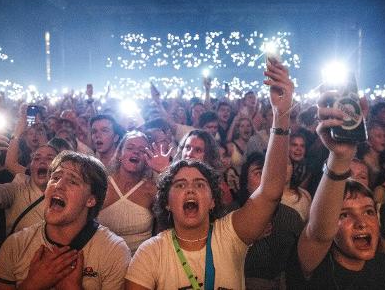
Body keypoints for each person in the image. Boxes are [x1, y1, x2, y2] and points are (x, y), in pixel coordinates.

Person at [124, 57, 294, 289]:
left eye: (200, 184)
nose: (191, 188)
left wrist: (281, 115)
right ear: (166, 203)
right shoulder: (150, 253)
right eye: (180, 185)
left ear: (214, 201)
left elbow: (271, 191)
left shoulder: (231, 236)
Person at [286, 92, 385, 289]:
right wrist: (340, 158)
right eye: (344, 214)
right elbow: (319, 234)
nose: (361, 223)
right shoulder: (314, 265)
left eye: (368, 211)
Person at [0, 151, 131, 289]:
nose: (58, 185)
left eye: (72, 181)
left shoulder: (114, 251)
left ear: (90, 200)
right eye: (55, 177)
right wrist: (32, 284)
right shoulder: (15, 245)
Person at [237, 152, 305, 289]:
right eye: (259, 173)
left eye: (271, 173)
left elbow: (301, 264)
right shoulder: (229, 215)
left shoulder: (292, 217)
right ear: (245, 182)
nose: (266, 179)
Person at [0, 131, 58, 234]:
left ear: (60, 167)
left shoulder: (69, 194)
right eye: (36, 158)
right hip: (15, 250)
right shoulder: (18, 188)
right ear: (30, 167)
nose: (42, 161)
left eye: (50, 158)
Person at [98, 131, 158, 254]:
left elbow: (163, 231)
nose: (136, 152)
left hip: (140, 262)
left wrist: (162, 170)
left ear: (147, 158)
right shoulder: (101, 185)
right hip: (102, 261)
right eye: (130, 147)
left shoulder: (152, 190)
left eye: (142, 150)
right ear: (120, 154)